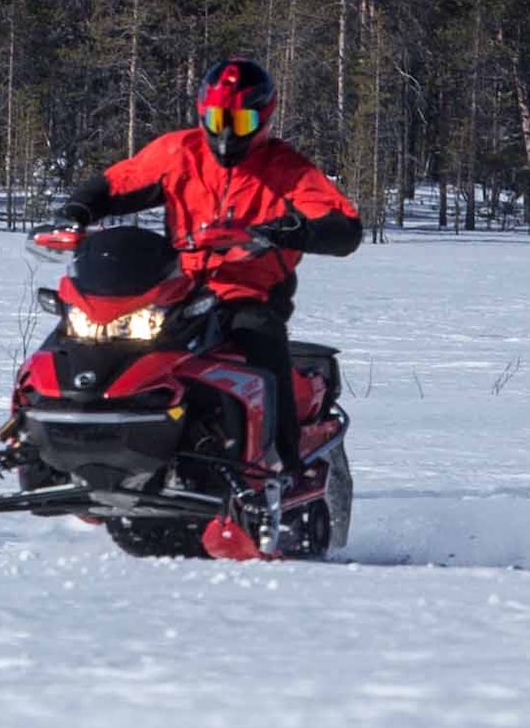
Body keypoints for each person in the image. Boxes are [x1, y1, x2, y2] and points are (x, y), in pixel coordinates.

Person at [57, 58, 363, 491]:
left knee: (261, 345)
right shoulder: (178, 152)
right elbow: (118, 182)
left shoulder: (287, 169)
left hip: (247, 293)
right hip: (172, 288)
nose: (226, 132)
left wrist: (292, 229)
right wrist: (78, 210)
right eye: (218, 119)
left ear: (263, 117)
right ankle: (47, 440)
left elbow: (344, 227)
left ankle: (280, 467)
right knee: (81, 333)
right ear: (203, 114)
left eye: (240, 120)